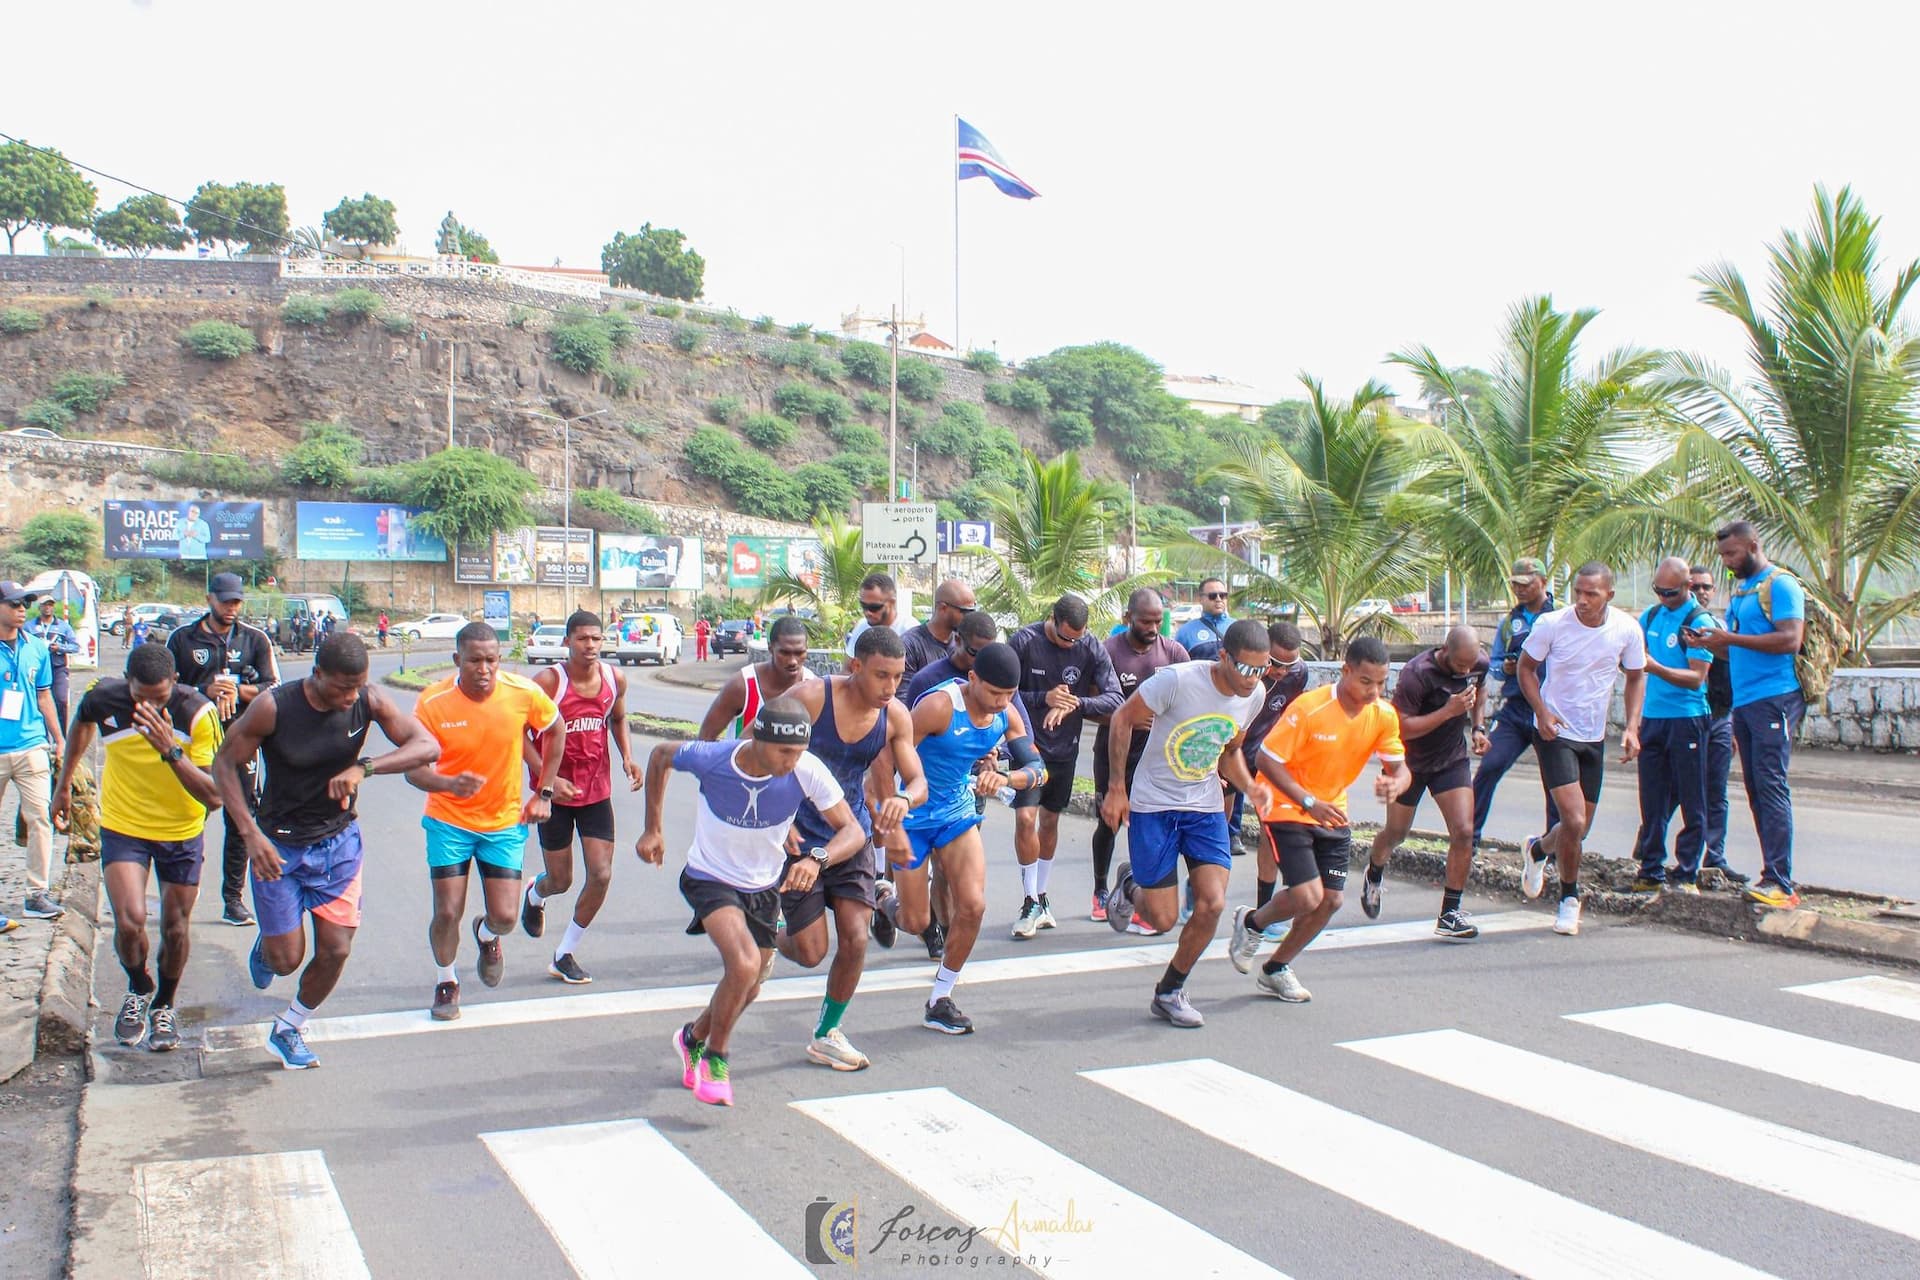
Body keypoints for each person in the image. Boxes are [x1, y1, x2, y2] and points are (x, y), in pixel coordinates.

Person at [213, 634, 439, 1069]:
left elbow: (426, 746)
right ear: (317, 674)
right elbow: (224, 762)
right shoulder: (273, 707)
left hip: (338, 843)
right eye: (342, 687)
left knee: (336, 949)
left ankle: (289, 1027)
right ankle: (270, 945)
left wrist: (365, 767)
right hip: (278, 846)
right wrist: (250, 834)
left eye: (358, 686)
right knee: (286, 960)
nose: (350, 697)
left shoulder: (368, 700)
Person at [635, 698, 866, 1106]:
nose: (792, 761)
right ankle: (716, 1061)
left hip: (762, 887)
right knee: (742, 965)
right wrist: (652, 828)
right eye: (784, 752)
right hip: (710, 877)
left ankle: (692, 1038)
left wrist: (817, 858)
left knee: (750, 985)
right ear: (758, 740)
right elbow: (659, 757)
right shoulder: (714, 759)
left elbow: (853, 830)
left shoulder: (807, 770)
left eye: (799, 752)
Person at [1100, 620, 1271, 1027]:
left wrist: (1251, 787)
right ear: (1224, 657)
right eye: (1246, 668)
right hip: (1154, 805)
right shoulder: (1177, 681)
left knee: (1212, 903)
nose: (1253, 678)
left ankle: (1170, 990)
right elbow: (1122, 719)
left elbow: (1230, 751)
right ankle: (1131, 885)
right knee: (1161, 920)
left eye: (1261, 669)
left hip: (1204, 807)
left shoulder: (1255, 695)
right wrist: (1116, 788)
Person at [52, 644, 220, 1051]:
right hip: (123, 824)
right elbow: (82, 723)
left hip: (180, 830)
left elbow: (214, 796)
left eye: (159, 698)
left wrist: (169, 749)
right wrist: (64, 784)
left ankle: (164, 1005)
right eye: (141, 697)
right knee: (129, 922)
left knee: (175, 928)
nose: (149, 707)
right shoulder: (103, 695)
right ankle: (139, 987)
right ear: (127, 682)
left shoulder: (198, 713)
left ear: (174, 682)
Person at [774, 626, 926, 1071]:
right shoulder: (810, 698)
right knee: (809, 952)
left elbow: (918, 780)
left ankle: (827, 1033)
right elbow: (750, 752)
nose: (890, 687)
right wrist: (775, 817)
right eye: (881, 675)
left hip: (850, 833)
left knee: (857, 937)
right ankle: (765, 933)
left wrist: (903, 799)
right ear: (855, 666)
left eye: (897, 676)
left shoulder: (894, 716)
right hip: (799, 834)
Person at [1226, 637, 1408, 1002]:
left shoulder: (1383, 715)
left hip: (1331, 810)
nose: (1374, 691)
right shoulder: (1310, 707)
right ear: (1346, 671)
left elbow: (1401, 769)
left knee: (1331, 901)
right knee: (1307, 895)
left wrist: (1396, 783)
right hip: (1285, 805)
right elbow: (1266, 760)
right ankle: (1252, 923)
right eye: (1366, 681)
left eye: (1381, 682)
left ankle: (1275, 968)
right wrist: (1308, 802)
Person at [876, 642, 1042, 1034]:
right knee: (915, 920)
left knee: (973, 905)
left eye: (1009, 695)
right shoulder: (939, 706)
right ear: (972, 679)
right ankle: (883, 900)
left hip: (956, 813)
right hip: (913, 816)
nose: (1001, 702)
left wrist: (1006, 778)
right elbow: (885, 755)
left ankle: (940, 999)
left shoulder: (1006, 714)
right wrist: (888, 816)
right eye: (994, 693)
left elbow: (1038, 768)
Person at [407, 623, 565, 1021]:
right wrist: (448, 783)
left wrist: (544, 791)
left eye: (491, 660)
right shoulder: (432, 702)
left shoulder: (522, 693)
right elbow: (413, 770)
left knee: (507, 917)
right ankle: (446, 982)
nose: (484, 669)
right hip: (449, 821)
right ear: (456, 660)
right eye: (474, 660)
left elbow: (555, 727)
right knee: (447, 912)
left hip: (503, 822)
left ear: (500, 659)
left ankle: (487, 934)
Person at [1516, 562, 1647, 936]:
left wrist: (1632, 727)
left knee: (1579, 828)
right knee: (1572, 821)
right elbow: (1526, 669)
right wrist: (1542, 712)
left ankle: (1537, 850)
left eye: (1592, 593)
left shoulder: (1626, 629)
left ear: (1609, 595)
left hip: (1593, 735)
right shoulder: (1552, 624)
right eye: (1578, 592)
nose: (1583, 600)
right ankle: (1569, 900)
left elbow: (1636, 676)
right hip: (1555, 731)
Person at [1688, 522, 1808, 909]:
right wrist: (1712, 644)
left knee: (1771, 785)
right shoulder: (1743, 591)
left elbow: (1790, 639)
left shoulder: (1780, 585)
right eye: (1723, 555)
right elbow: (1737, 649)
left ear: (1753, 546)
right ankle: (1771, 874)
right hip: (1746, 701)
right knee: (1757, 789)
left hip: (1776, 698)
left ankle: (1781, 882)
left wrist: (1730, 638)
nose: (1726, 562)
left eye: (1732, 554)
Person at [519, 612, 639, 985]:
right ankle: (536, 892)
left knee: (601, 874)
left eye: (596, 639)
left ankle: (565, 953)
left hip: (595, 791)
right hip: (553, 796)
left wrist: (627, 757)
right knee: (561, 880)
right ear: (567, 641)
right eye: (582, 638)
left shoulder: (614, 679)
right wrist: (548, 779)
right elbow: (517, 733)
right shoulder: (548, 682)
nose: (590, 645)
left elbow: (617, 718)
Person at [1004, 595, 1121, 938]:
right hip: (1027, 747)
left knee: (1050, 821)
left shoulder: (1091, 647)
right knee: (1026, 819)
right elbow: (1003, 694)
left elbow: (1116, 698)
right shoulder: (1024, 641)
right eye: (1065, 637)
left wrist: (1074, 703)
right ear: (1052, 619)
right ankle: (1028, 900)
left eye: (1076, 639)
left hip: (1065, 750)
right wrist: (1044, 698)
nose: (1071, 644)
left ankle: (1042, 896)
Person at [1362, 625, 1489, 938]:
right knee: (1396, 833)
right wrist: (1448, 711)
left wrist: (1478, 727)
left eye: (1470, 665)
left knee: (1464, 831)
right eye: (1460, 665)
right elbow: (1401, 728)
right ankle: (1374, 871)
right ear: (1445, 651)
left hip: (1450, 759)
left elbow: (1480, 689)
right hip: (1409, 763)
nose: (1466, 671)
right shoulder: (1416, 673)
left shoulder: (1478, 663)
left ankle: (1449, 913)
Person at [167, 571, 279, 927]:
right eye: (225, 601)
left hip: (240, 741)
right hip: (193, 741)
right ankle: (183, 888)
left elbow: (273, 688)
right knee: (189, 813)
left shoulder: (255, 639)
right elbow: (165, 689)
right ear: (209, 599)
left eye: (237, 602)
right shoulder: (182, 639)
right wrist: (204, 692)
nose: (232, 608)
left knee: (240, 814)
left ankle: (233, 899)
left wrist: (239, 692)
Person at [1089, 589, 1189, 922]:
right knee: (1110, 822)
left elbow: (1189, 701)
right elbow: (1092, 706)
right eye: (1146, 621)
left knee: (1150, 826)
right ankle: (1100, 889)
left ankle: (1142, 891)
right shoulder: (1108, 651)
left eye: (1158, 621)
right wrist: (1126, 718)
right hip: (1115, 755)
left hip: (1159, 759)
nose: (1153, 628)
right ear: (1128, 618)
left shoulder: (1173, 652)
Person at [1630, 558, 1719, 895]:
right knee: (1651, 798)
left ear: (1687, 587)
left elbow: (1696, 678)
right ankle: (1650, 869)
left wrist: (1656, 668)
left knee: (1692, 797)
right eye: (1658, 591)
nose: (1663, 597)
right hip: (1654, 718)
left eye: (1670, 592)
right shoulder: (1652, 616)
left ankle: (1687, 873)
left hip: (1687, 718)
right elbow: (1635, 660)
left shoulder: (1699, 622)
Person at [1224, 622, 1310, 924]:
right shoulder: (1239, 672)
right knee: (1219, 825)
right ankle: (1198, 887)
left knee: (1270, 831)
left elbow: (1290, 715)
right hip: (1228, 754)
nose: (1282, 671)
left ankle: (1263, 910)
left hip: (1265, 758)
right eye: (1275, 663)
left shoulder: (1298, 674)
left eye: (1290, 665)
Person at [1471, 558, 1560, 846]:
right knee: (1489, 766)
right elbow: (1495, 663)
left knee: (1555, 783)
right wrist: (1506, 668)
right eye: (1515, 585)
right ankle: (1468, 839)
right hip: (1517, 707)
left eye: (1526, 584)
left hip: (1550, 709)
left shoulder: (1562, 618)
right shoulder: (1509, 623)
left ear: (1542, 582)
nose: (1519, 590)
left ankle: (1552, 848)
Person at [0, 582, 65, 920]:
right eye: (14, 604)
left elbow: (44, 696)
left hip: (31, 744)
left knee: (41, 818)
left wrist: (59, 738)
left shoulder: (36, 648)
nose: (22, 609)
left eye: (25, 603)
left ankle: (36, 894)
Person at [1688, 565, 1745, 885]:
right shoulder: (1676, 624)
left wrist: (1732, 721)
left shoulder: (1721, 630)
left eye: (1706, 587)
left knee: (1716, 791)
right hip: (1685, 718)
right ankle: (1650, 852)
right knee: (1674, 790)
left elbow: (1732, 676)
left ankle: (1715, 857)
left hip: (1720, 718)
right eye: (1695, 586)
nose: (1701, 592)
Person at [698, 615, 813, 740]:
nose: (793, 661)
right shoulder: (742, 685)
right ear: (771, 649)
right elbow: (705, 738)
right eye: (784, 653)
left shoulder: (813, 688)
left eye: (799, 653)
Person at [903, 609, 999, 708]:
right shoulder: (926, 680)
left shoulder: (998, 676)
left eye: (989, 653)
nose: (982, 660)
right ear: (957, 640)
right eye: (974, 653)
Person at [901, 578, 978, 678]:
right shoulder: (910, 645)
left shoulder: (964, 642)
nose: (969, 618)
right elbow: (905, 687)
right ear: (943, 608)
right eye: (965, 612)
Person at [28, 597, 81, 731]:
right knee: (37, 702)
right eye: (44, 605)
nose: (47, 608)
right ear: (39, 607)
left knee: (62, 700)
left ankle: (62, 735)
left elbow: (75, 647)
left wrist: (60, 648)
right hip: (37, 668)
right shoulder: (29, 626)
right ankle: (43, 735)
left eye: (50, 605)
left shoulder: (63, 626)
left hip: (58, 668)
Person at [844, 572, 912, 656]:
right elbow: (849, 662)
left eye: (874, 607)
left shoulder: (909, 630)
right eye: (863, 605)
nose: (868, 612)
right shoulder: (862, 626)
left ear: (892, 603)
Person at [1174, 578, 1235, 661]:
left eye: (1222, 595)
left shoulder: (1238, 628)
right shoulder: (1185, 632)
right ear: (1200, 599)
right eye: (1212, 596)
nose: (1218, 599)